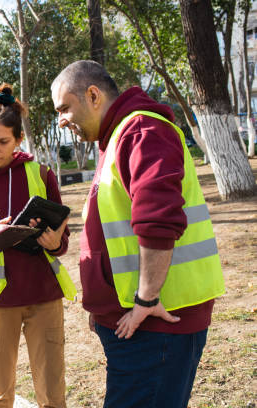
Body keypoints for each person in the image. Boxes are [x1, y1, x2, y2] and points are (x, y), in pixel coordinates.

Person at [50, 60, 225, 408]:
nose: (62, 119)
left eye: (65, 107)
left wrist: (145, 299)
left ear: (93, 95)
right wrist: (102, 306)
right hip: (139, 322)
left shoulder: (141, 130)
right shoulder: (117, 137)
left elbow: (158, 221)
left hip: (157, 323)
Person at [0, 84, 77, 408]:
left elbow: (62, 236)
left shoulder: (42, 174)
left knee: (53, 397)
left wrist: (55, 243)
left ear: (19, 140)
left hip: (43, 297)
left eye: (3, 142)